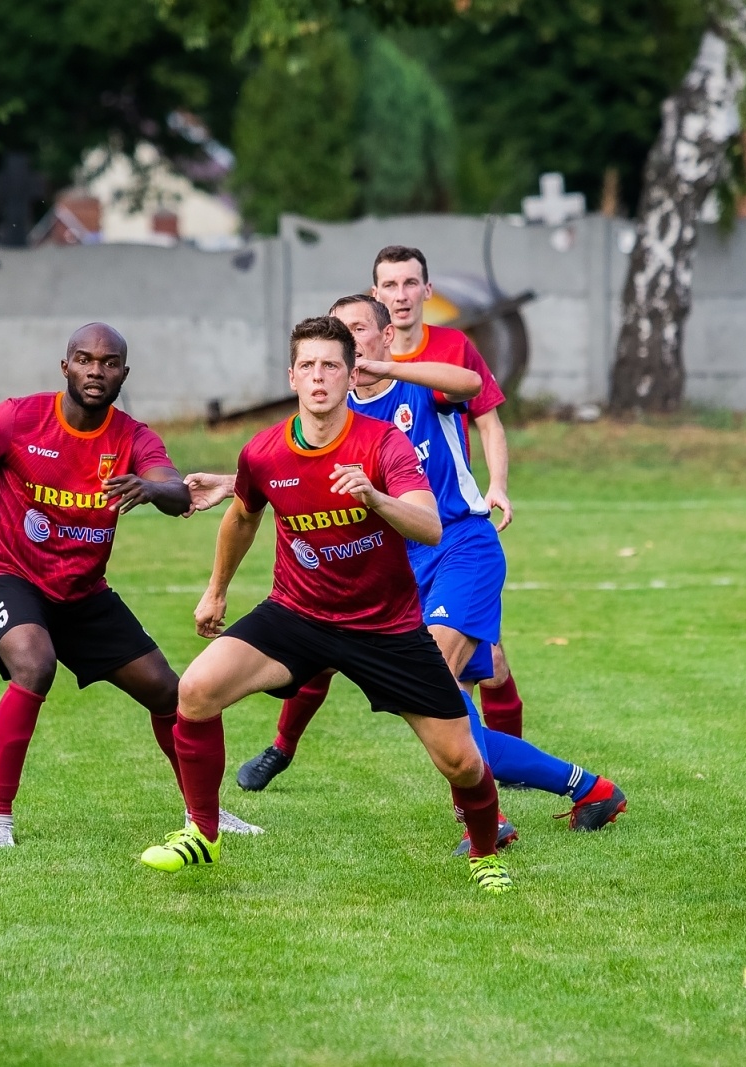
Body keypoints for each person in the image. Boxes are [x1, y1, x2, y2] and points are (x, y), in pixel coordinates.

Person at [191, 296, 626, 851]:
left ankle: (514, 812)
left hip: (461, 543)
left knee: (444, 701)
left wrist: (392, 370)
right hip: (406, 562)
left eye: (351, 340)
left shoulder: (419, 380)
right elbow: (301, 467)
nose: (328, 366)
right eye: (317, 358)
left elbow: (471, 387)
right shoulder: (348, 414)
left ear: (381, 339)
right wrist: (234, 482)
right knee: (463, 690)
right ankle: (582, 791)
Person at [143, 315, 514, 894]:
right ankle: (203, 834)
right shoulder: (264, 451)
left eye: (331, 366)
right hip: (298, 614)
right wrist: (215, 589)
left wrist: (373, 496)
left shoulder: (382, 443)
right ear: (292, 376)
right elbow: (243, 515)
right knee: (194, 690)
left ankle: (486, 856)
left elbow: (430, 525)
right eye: (309, 366)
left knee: (462, 762)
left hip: (384, 626)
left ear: (349, 375)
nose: (319, 377)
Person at [0, 324, 255, 847]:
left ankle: (208, 813)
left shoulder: (132, 437)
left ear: (123, 375)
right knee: (34, 664)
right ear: (65, 367)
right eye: (84, 359)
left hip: (83, 592)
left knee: (168, 691)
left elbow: (179, 492)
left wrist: (152, 489)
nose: (96, 370)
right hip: (8, 575)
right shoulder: (19, 419)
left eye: (109, 363)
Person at [371, 245, 527, 738]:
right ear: (376, 295)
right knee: (325, 644)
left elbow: (488, 419)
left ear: (427, 290)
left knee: (473, 666)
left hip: (455, 524)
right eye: (390, 286)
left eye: (410, 283)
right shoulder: (355, 370)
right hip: (401, 535)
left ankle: (501, 769)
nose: (401, 295)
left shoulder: (452, 349)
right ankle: (281, 747)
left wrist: (496, 485)